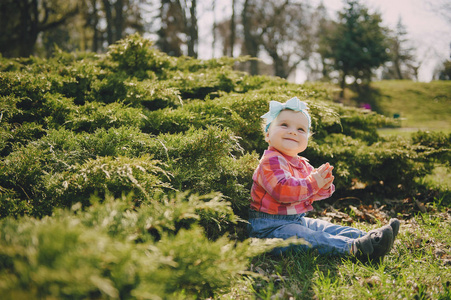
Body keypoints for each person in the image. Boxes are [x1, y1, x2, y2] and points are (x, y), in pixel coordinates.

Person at [248, 97, 400, 263]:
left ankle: (374, 239)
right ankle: (356, 248)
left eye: (300, 129)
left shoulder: (301, 164)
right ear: (268, 134)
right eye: (284, 125)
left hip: (295, 220)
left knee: (327, 228)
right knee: (313, 237)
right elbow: (282, 191)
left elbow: (310, 193)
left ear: (307, 138)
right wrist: (314, 183)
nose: (292, 131)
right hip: (268, 229)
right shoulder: (270, 161)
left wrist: (323, 185)